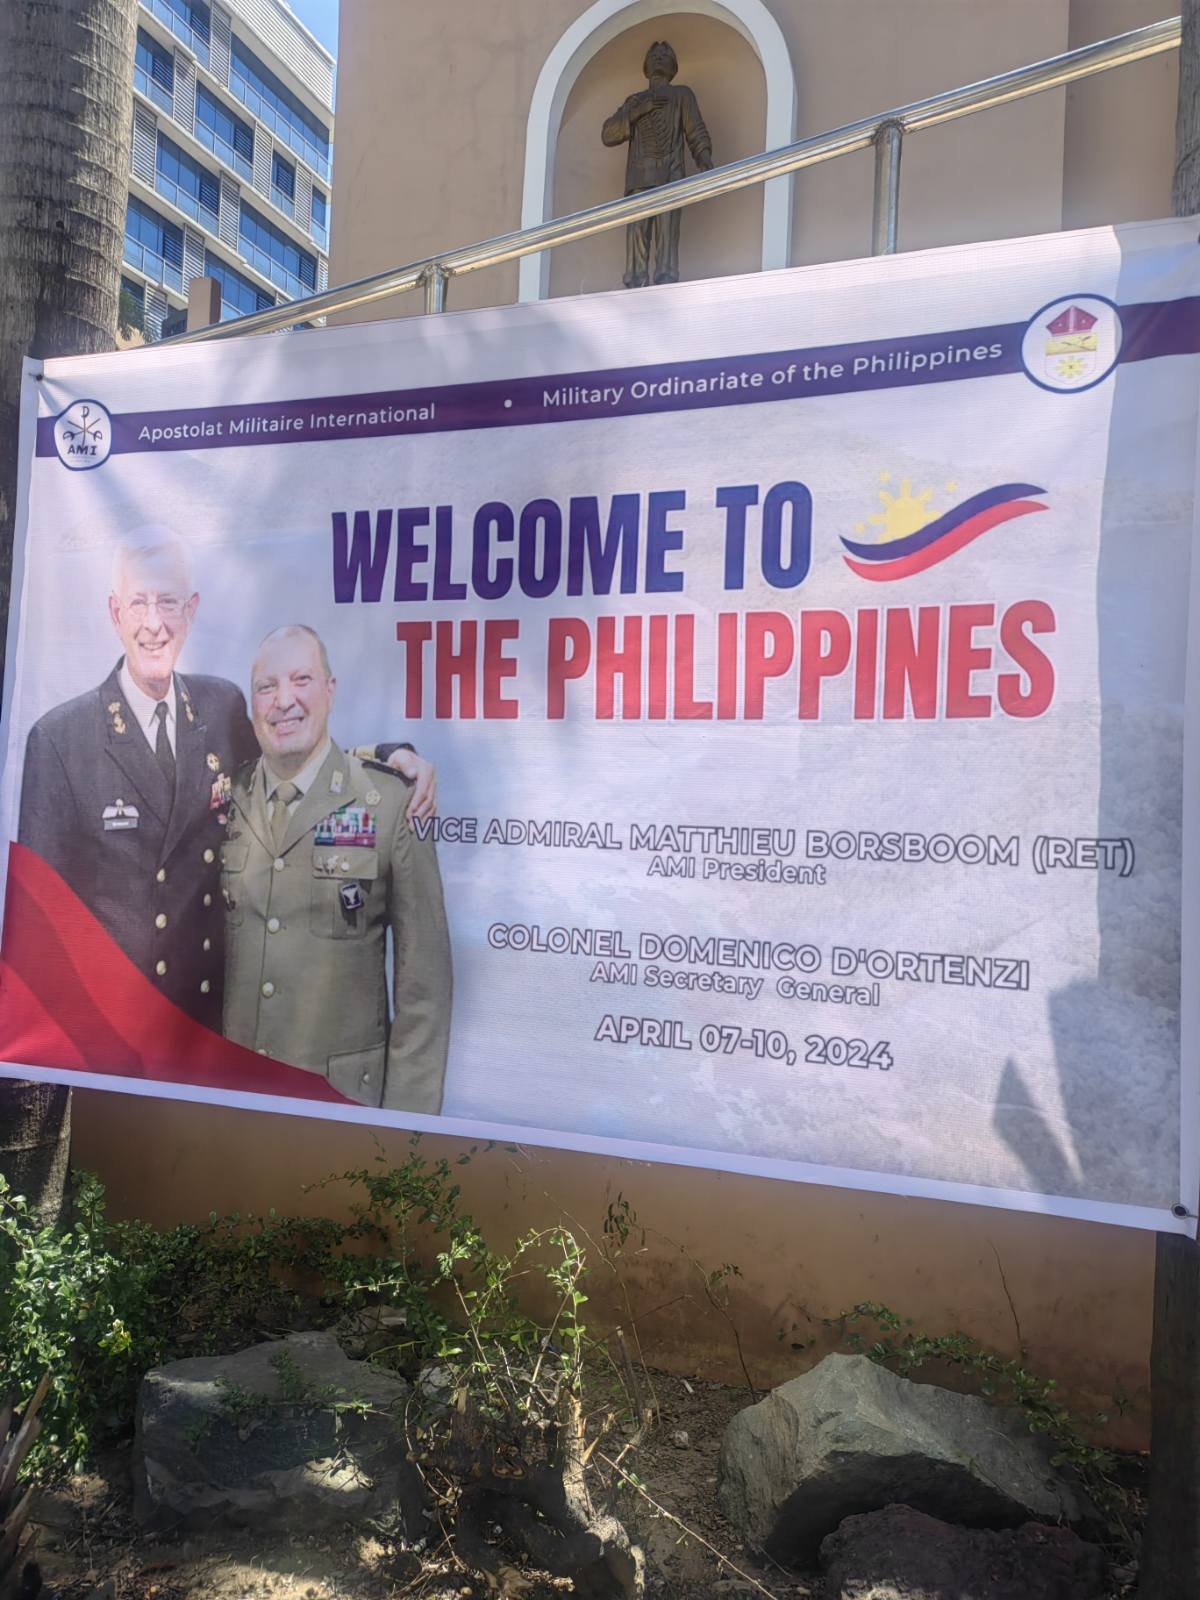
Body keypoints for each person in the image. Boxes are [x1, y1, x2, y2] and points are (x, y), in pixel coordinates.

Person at [17, 532, 435, 1032]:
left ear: (190, 612)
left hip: (210, 1030)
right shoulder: (62, 739)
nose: (155, 623)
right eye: (139, 604)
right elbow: (39, 931)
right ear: (114, 613)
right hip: (114, 1036)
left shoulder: (221, 708)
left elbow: (291, 766)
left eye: (168, 602)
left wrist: (383, 756)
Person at [221, 626, 451, 1113]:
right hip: (232, 1096)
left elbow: (423, 990)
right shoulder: (226, 800)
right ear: (251, 707)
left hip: (343, 1105)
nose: (285, 700)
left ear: (330, 689)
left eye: (302, 679)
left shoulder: (389, 805)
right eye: (267, 687)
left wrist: (406, 1141)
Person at [601, 39, 713, 288]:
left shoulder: (681, 95)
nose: (659, 57)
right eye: (654, 54)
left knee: (667, 233)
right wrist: (639, 111)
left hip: (670, 176)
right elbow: (609, 134)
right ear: (645, 65)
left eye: (665, 54)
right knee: (637, 236)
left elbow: (695, 128)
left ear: (673, 65)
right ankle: (635, 283)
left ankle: (666, 280)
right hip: (639, 179)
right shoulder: (634, 100)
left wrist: (703, 155)